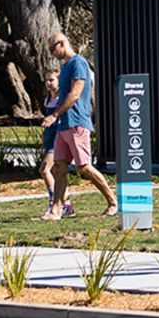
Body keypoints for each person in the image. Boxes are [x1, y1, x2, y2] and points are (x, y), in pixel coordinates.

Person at [40, 33, 118, 220]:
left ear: (62, 44)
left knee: (84, 167)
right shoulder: (65, 67)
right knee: (59, 167)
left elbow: (75, 95)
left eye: (53, 48)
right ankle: (56, 210)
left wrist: (54, 115)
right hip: (63, 125)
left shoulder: (78, 63)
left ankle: (113, 202)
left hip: (77, 122)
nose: (52, 53)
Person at [38, 67, 75, 218]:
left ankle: (55, 201)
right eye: (46, 80)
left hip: (58, 139)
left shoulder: (62, 99)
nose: (48, 83)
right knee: (55, 172)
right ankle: (66, 203)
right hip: (49, 138)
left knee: (44, 169)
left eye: (52, 80)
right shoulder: (47, 99)